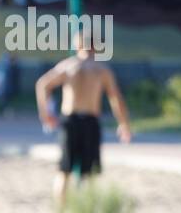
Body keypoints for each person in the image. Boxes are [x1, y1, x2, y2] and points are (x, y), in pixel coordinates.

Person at [35, 30, 133, 202]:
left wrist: (46, 114)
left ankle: (61, 212)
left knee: (64, 171)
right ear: (97, 47)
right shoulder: (101, 70)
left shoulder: (68, 66)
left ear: (78, 44)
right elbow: (116, 99)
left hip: (69, 121)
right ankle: (86, 209)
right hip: (90, 122)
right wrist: (124, 124)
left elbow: (42, 84)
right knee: (89, 173)